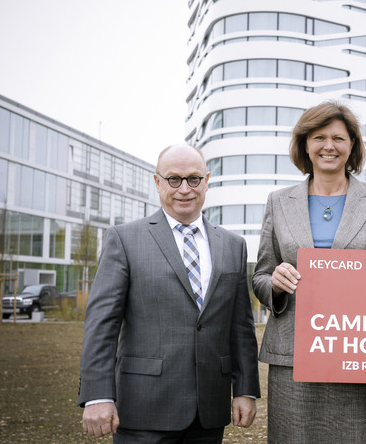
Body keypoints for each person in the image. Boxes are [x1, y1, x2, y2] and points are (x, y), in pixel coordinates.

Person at [78, 144, 260, 443]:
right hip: (143, 409)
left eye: (193, 179)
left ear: (207, 180)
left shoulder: (233, 245)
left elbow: (240, 327)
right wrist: (97, 394)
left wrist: (245, 389)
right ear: (157, 182)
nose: (184, 189)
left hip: (209, 413)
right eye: (174, 179)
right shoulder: (124, 239)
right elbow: (101, 325)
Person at [252, 101, 366, 444]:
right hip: (293, 359)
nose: (329, 146)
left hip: (361, 353)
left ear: (352, 145)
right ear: (305, 144)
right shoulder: (278, 201)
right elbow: (261, 275)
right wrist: (274, 284)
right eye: (319, 137)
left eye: (338, 137)